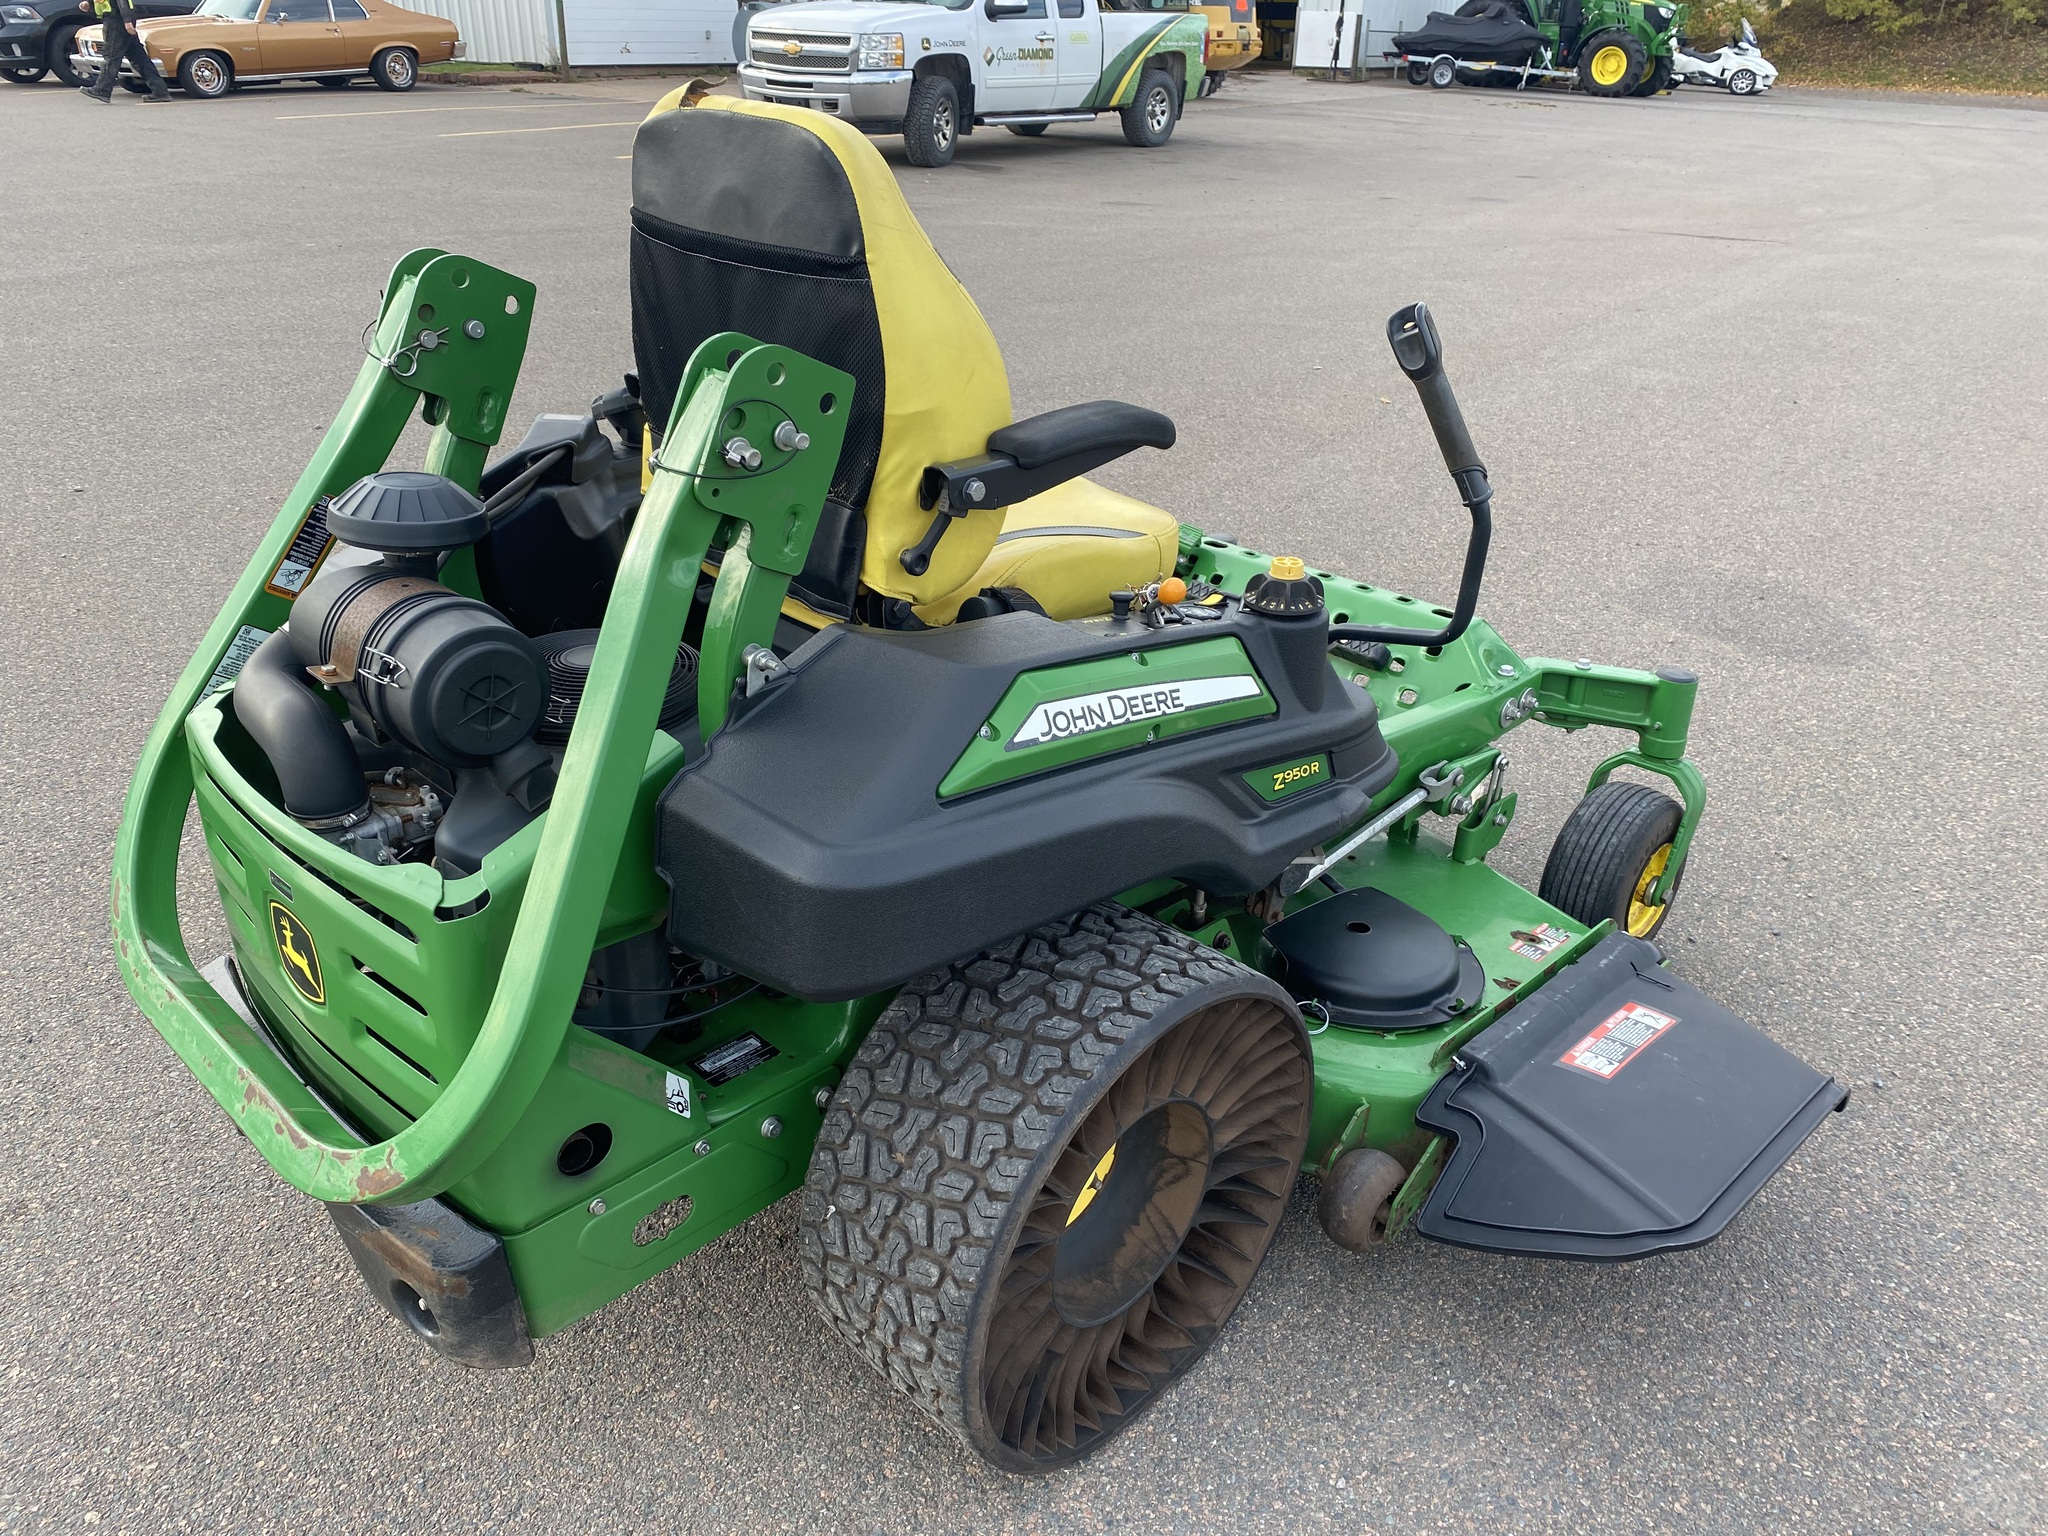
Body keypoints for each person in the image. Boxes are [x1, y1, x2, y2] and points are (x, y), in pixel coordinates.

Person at [77, 0, 172, 102]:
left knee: (111, 56)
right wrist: (89, 3)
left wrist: (127, 21)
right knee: (138, 58)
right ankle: (160, 91)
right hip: (118, 18)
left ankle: (102, 89)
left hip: (117, 20)